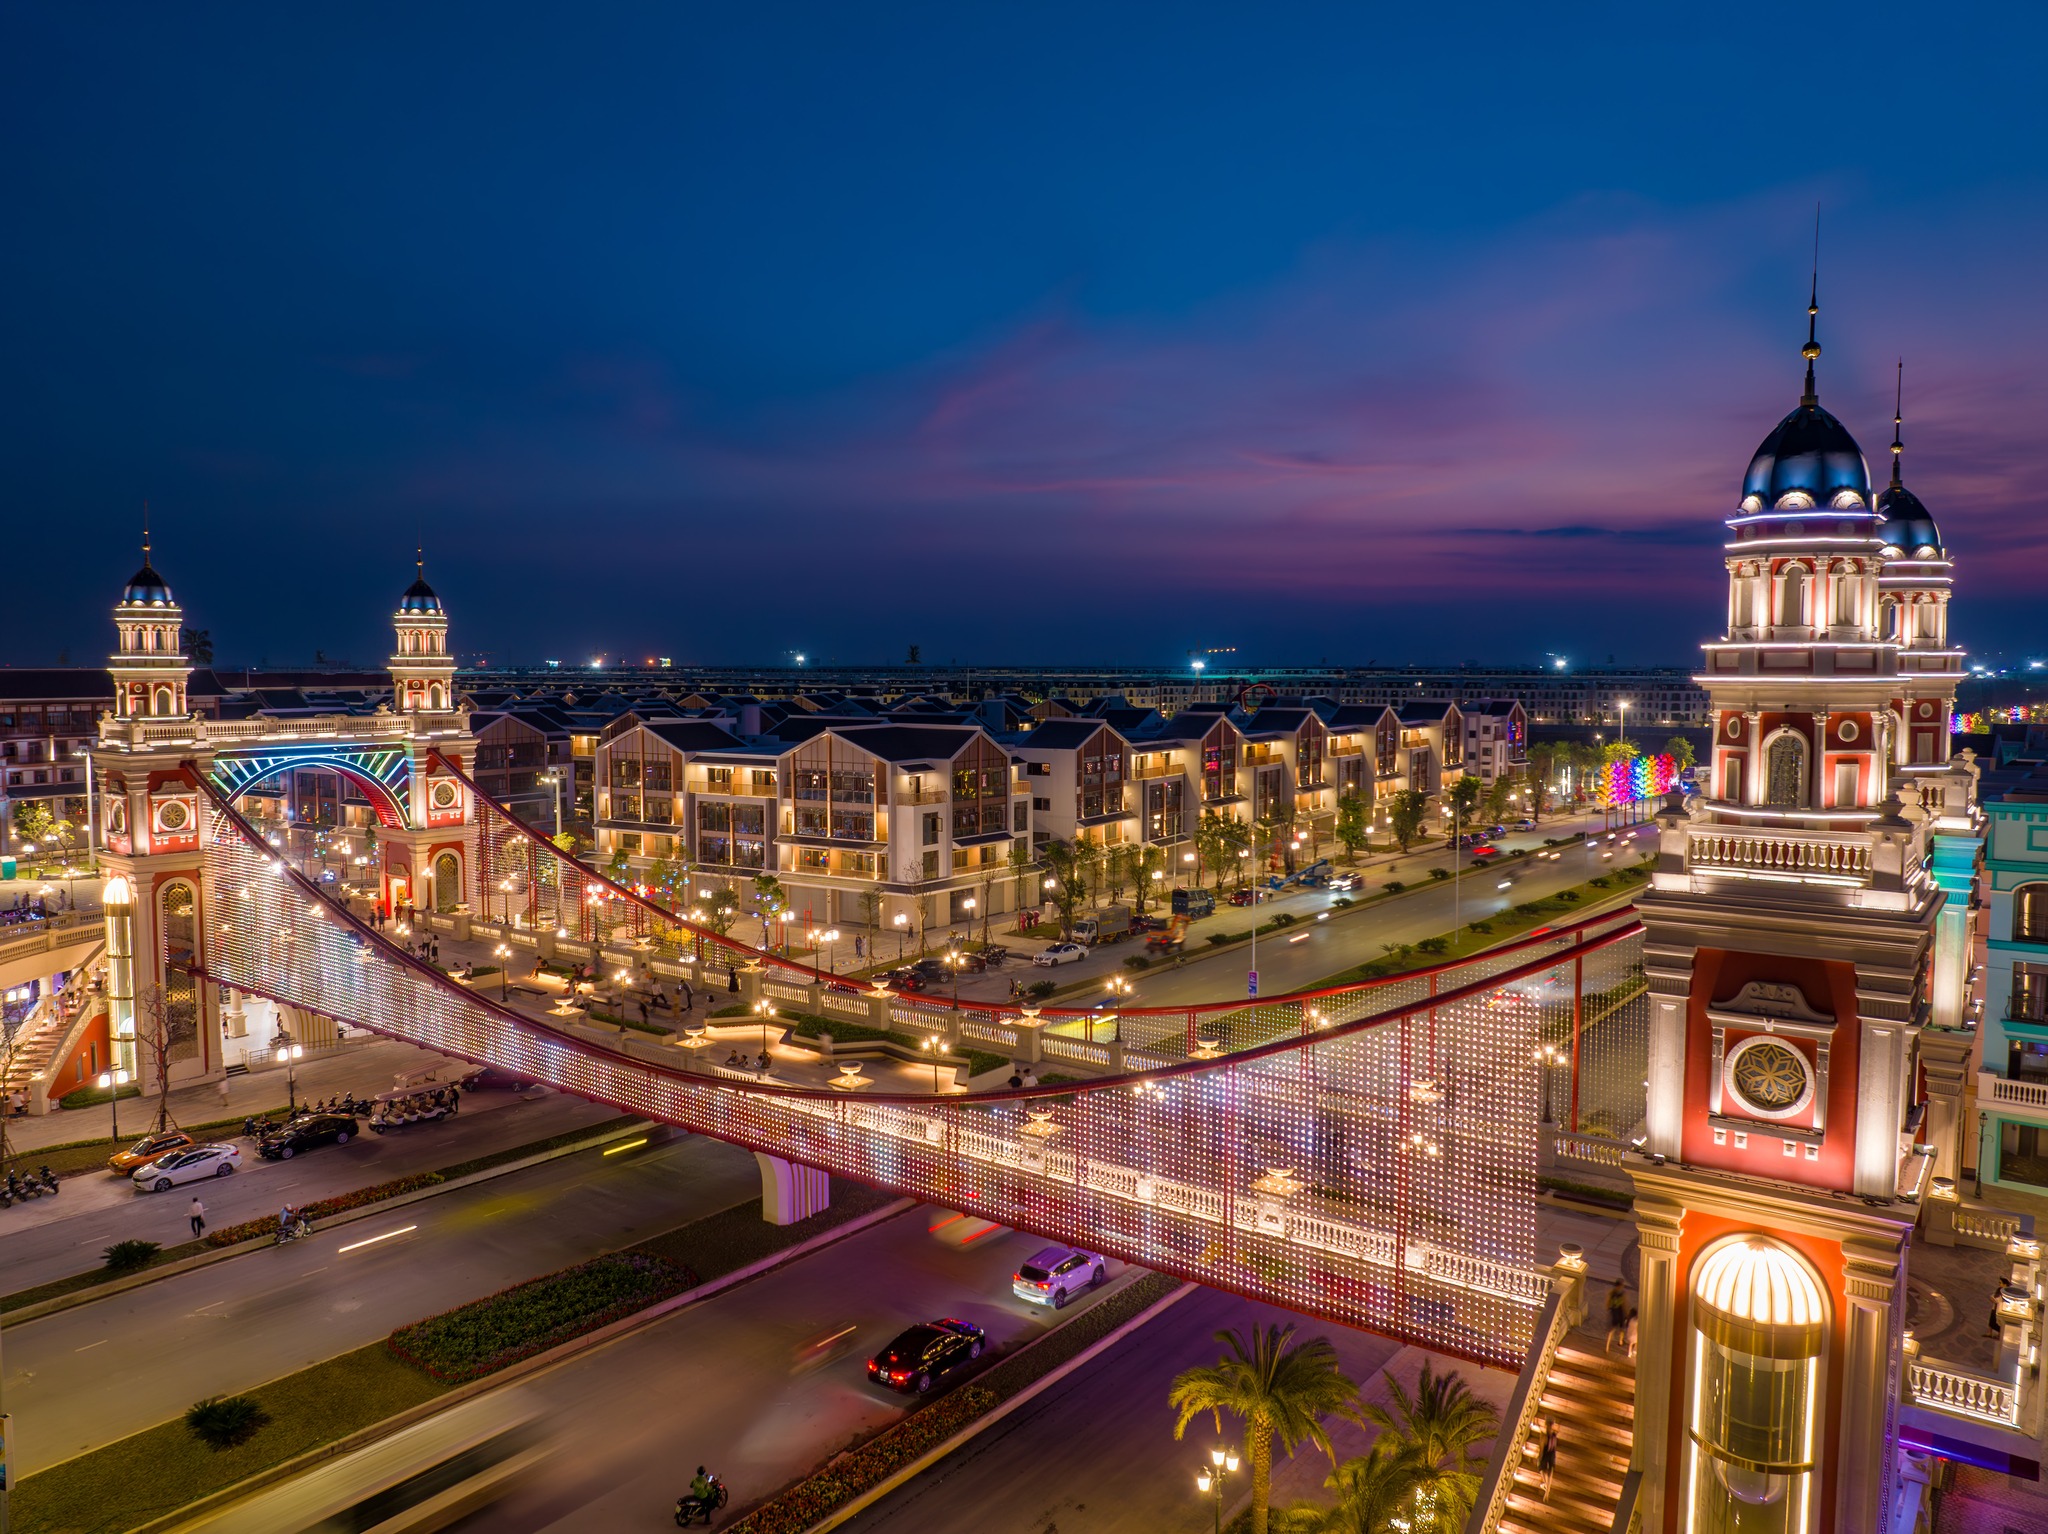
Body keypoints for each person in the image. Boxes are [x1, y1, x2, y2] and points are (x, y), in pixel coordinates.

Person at [1536, 1418, 1559, 1498]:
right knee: (1548, 1470)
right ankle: (1547, 1488)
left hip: (1547, 1453)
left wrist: (1539, 1456)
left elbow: (1542, 1447)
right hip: (1551, 1453)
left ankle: (1547, 1488)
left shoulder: (1546, 1436)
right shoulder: (1553, 1435)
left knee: (1543, 1469)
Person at [1605, 1281, 1627, 1352]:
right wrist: (1626, 1313)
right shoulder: (1622, 1294)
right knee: (1621, 1329)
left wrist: (1609, 1308)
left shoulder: (1611, 1293)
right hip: (1620, 1313)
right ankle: (1620, 1341)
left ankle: (1607, 1347)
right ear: (1620, 1286)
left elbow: (1607, 1303)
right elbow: (1624, 1304)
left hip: (1614, 1312)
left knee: (1612, 1330)